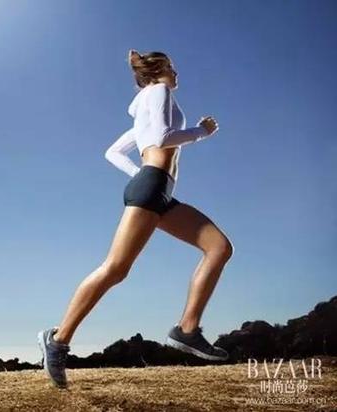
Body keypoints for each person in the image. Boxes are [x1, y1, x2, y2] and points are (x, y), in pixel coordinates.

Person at [37, 49, 234, 389]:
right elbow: (160, 140)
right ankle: (57, 341)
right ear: (160, 69)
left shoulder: (145, 106)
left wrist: (141, 176)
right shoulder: (159, 91)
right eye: (172, 66)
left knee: (218, 247)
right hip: (152, 188)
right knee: (115, 268)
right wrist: (200, 131)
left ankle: (187, 330)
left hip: (158, 191)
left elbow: (113, 152)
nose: (176, 72)